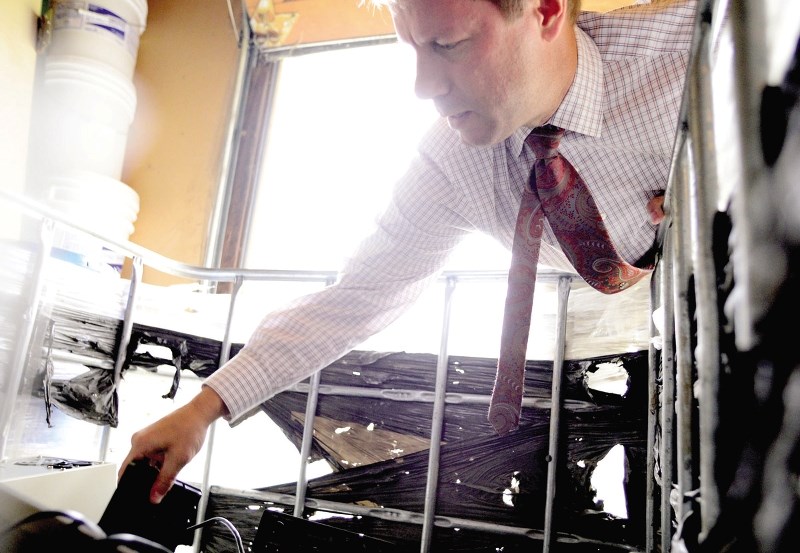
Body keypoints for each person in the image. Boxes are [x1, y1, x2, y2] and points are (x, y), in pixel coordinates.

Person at [121, 0, 696, 504]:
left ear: (544, 11)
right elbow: (358, 298)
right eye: (413, 47)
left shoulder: (695, 50)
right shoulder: (451, 162)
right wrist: (201, 410)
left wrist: (733, 188)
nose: (423, 85)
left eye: (447, 44)